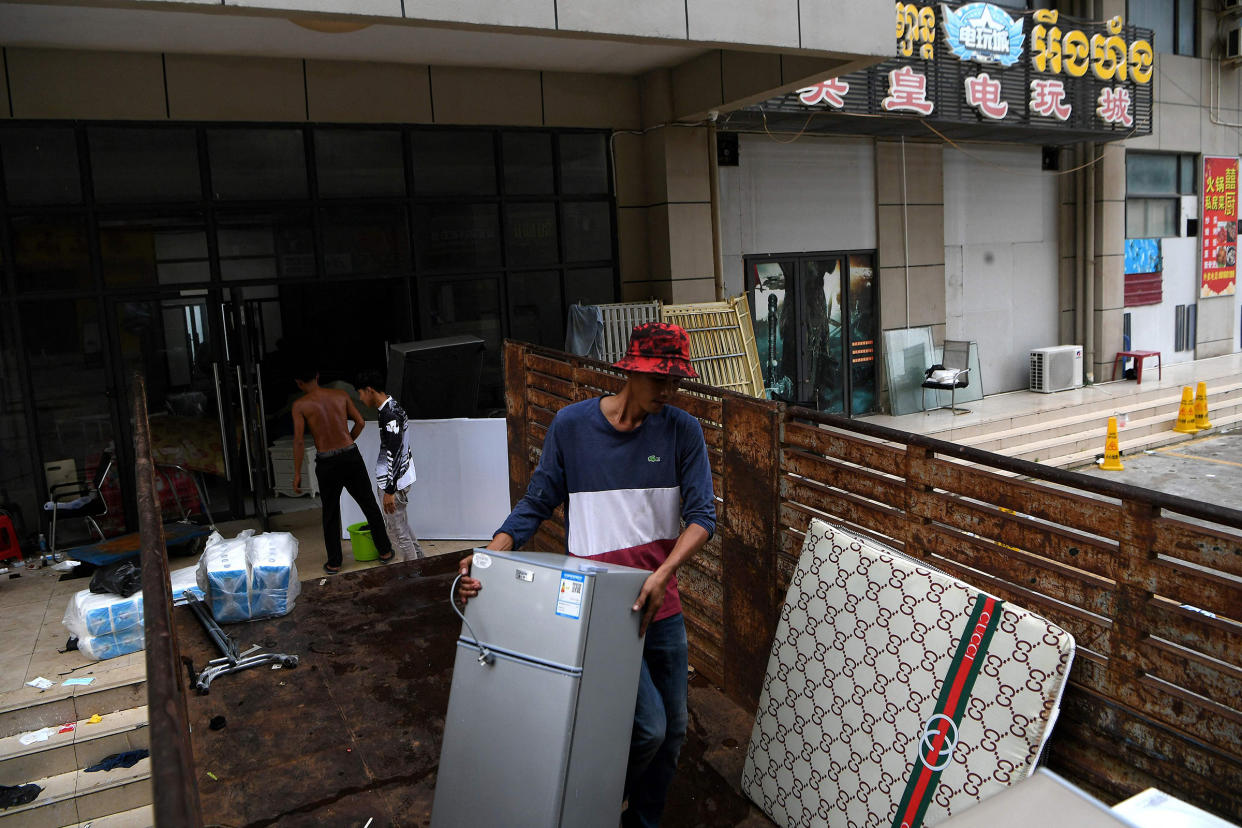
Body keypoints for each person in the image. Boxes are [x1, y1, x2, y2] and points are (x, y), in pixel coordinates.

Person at [457, 322, 716, 828]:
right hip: (598, 609)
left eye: (675, 381)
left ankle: (639, 821)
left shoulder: (683, 431)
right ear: (630, 370)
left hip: (660, 608)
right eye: (659, 379)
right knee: (647, 730)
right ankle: (587, 806)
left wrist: (665, 572)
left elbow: (703, 517)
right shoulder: (572, 427)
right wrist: (488, 558)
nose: (668, 391)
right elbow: (537, 502)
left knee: (676, 731)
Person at [291, 363, 395, 573]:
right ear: (318, 375)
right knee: (368, 504)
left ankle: (334, 562)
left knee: (330, 513)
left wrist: (296, 473)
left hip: (327, 462)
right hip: (350, 456)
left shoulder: (300, 405)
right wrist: (348, 442)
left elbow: (299, 441)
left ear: (299, 383)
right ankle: (384, 551)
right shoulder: (340, 395)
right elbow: (360, 422)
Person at [355, 369, 426, 561]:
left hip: (393, 482)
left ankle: (413, 575)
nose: (360, 399)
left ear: (369, 390)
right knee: (402, 525)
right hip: (396, 479)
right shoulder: (391, 408)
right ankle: (422, 562)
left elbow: (395, 453)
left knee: (398, 533)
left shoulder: (390, 414)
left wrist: (389, 490)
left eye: (360, 393)